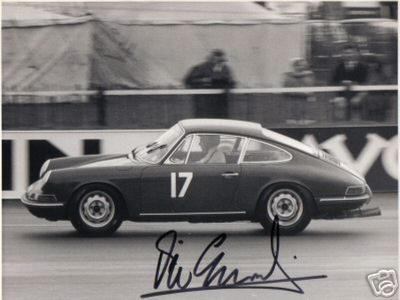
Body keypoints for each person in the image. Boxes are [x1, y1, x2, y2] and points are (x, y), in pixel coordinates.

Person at [184, 50, 235, 118]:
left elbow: (230, 82)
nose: (219, 63)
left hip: (221, 102)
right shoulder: (200, 68)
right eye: (217, 61)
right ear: (211, 59)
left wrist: (226, 87)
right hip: (205, 100)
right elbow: (188, 81)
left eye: (221, 61)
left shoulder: (226, 69)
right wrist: (204, 81)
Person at [331, 44, 369, 121]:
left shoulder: (363, 67)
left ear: (356, 54)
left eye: (351, 53)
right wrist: (341, 84)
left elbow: (367, 83)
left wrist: (359, 96)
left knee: (356, 124)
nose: (348, 55)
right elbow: (332, 82)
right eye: (346, 53)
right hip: (341, 100)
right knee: (340, 123)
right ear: (342, 55)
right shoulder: (338, 67)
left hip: (358, 100)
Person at [283, 58, 315, 124]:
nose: (300, 67)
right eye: (297, 65)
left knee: (304, 120)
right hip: (292, 102)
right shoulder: (288, 77)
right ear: (294, 66)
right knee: (292, 120)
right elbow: (285, 89)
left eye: (302, 65)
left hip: (304, 102)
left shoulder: (308, 76)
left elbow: (311, 90)